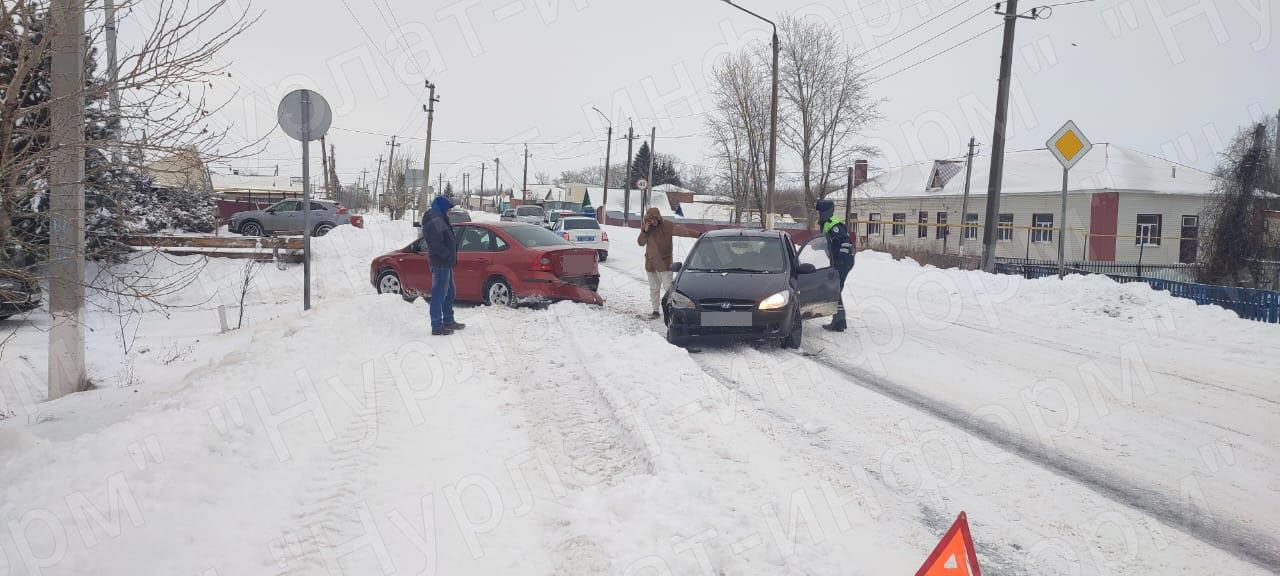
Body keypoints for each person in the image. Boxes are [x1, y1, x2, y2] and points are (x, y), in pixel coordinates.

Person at [421, 196, 466, 336]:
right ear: (441, 208)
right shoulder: (435, 221)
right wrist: (448, 255)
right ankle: (437, 325)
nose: (450, 212)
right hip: (440, 264)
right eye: (448, 209)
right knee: (439, 294)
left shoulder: (439, 219)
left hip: (445, 263)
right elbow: (437, 245)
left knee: (450, 293)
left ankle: (448, 320)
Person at [815, 199, 855, 332]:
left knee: (835, 291)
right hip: (840, 262)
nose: (819, 214)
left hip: (843, 262)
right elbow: (831, 242)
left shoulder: (833, 224)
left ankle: (838, 322)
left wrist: (840, 261)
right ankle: (840, 321)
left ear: (826, 212)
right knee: (836, 291)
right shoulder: (827, 223)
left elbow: (844, 242)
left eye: (820, 212)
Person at [637, 206, 675, 319]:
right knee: (654, 288)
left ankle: (671, 311)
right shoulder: (646, 228)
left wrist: (700, 235)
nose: (652, 222)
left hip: (665, 264)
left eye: (653, 219)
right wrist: (645, 231)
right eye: (649, 220)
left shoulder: (668, 225)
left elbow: (682, 231)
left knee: (668, 288)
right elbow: (640, 242)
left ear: (658, 218)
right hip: (651, 265)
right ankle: (655, 311)